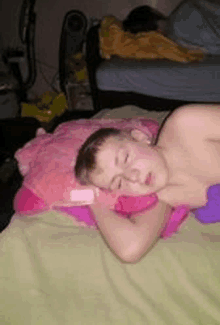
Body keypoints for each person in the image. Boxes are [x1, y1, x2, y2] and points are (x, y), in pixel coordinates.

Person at [75, 104, 220, 263]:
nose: (133, 177)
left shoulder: (186, 124)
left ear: (140, 138)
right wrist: (93, 200)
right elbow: (130, 250)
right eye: (118, 183)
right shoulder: (162, 198)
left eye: (126, 158)